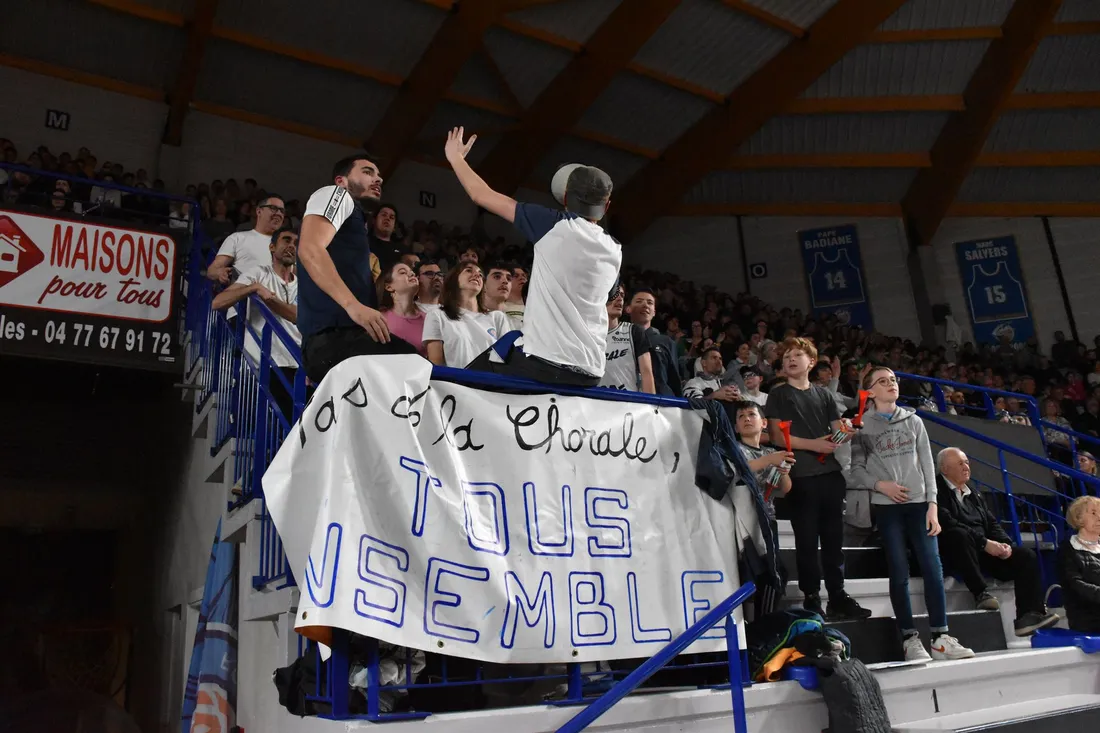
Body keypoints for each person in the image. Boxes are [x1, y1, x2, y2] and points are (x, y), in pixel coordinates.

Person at [444, 127, 619, 386]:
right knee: (507, 343)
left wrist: (456, 158)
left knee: (465, 381)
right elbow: (609, 296)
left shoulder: (553, 224)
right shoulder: (615, 247)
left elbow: (480, 195)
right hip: (592, 370)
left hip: (546, 364)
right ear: (606, 207)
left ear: (565, 199)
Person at [849, 367, 975, 661]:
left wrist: (932, 504)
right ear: (870, 391)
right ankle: (909, 638)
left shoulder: (914, 420)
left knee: (933, 568)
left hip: (920, 505)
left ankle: (941, 636)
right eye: (883, 381)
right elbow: (856, 470)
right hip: (887, 506)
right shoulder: (862, 427)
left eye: (893, 380)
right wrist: (882, 485)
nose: (891, 384)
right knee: (899, 571)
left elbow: (928, 465)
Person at [765, 337, 871, 620]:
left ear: (811, 362)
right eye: (786, 355)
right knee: (807, 540)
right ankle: (812, 596)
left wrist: (846, 431)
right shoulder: (778, 394)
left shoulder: (824, 394)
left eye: (797, 354)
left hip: (830, 475)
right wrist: (815, 445)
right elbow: (776, 436)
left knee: (834, 540)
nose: (790, 358)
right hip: (800, 476)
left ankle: (837, 594)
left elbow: (836, 431)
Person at [296, 154, 417, 384]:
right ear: (341, 180)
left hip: (336, 342)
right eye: (368, 172)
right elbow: (310, 249)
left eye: (379, 175)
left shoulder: (355, 224)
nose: (378, 179)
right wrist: (352, 306)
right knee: (420, 370)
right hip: (338, 338)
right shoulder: (336, 194)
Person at [936, 447, 1060, 635]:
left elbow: (992, 523)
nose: (966, 466)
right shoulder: (936, 491)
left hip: (982, 550)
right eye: (960, 463)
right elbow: (949, 523)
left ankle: (1029, 615)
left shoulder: (975, 494)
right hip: (956, 552)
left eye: (967, 462)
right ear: (944, 469)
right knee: (958, 534)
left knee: (1026, 555)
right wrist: (985, 543)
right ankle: (980, 593)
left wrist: (1004, 544)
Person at [211, 227, 301, 422]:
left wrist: (270, 301)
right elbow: (218, 302)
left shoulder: (303, 285)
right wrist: (253, 288)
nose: (291, 246)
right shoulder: (259, 273)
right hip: (266, 363)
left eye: (295, 243)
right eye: (286, 240)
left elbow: (296, 316)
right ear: (272, 246)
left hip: (296, 363)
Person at [733, 400, 794, 617]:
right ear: (736, 427)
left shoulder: (770, 452)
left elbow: (784, 489)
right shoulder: (734, 449)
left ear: (764, 422)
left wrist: (783, 469)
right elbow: (737, 471)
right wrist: (770, 460)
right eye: (741, 417)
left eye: (752, 414)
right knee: (753, 574)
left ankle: (763, 623)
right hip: (744, 522)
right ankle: (756, 626)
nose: (747, 419)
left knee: (774, 574)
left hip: (767, 520)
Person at [423, 262, 511, 368]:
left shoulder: (497, 318)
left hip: (491, 383)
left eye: (480, 274)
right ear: (454, 279)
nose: (477, 275)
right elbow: (437, 366)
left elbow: (508, 361)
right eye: (469, 270)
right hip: (454, 383)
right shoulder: (437, 315)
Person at [207, 194, 285, 284]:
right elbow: (212, 270)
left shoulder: (289, 245)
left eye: (282, 211)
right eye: (273, 208)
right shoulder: (237, 238)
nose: (279, 214)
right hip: (245, 294)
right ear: (259, 211)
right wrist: (220, 273)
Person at [599, 284, 655, 393]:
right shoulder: (589, 334)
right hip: (595, 404)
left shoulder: (634, 331)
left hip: (628, 405)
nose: (619, 298)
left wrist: (650, 406)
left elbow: (647, 373)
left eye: (622, 295)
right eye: (614, 294)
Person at [627, 288, 682, 396]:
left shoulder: (666, 342)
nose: (645, 305)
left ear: (654, 312)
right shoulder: (619, 339)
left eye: (650, 303)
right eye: (639, 301)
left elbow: (674, 380)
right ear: (628, 309)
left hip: (662, 404)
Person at [1057, 496, 1100, 633]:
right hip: (1087, 617)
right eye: (1093, 513)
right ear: (1078, 517)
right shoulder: (1068, 549)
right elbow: (1075, 585)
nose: (1099, 517)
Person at [377, 261, 426, 357]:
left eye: (412, 272)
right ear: (388, 286)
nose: (412, 274)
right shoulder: (378, 318)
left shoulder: (428, 319)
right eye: (403, 272)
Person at [371, 203, 407, 271]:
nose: (387, 218)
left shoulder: (403, 250)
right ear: (374, 220)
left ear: (394, 228)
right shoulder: (364, 243)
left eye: (391, 217)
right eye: (384, 215)